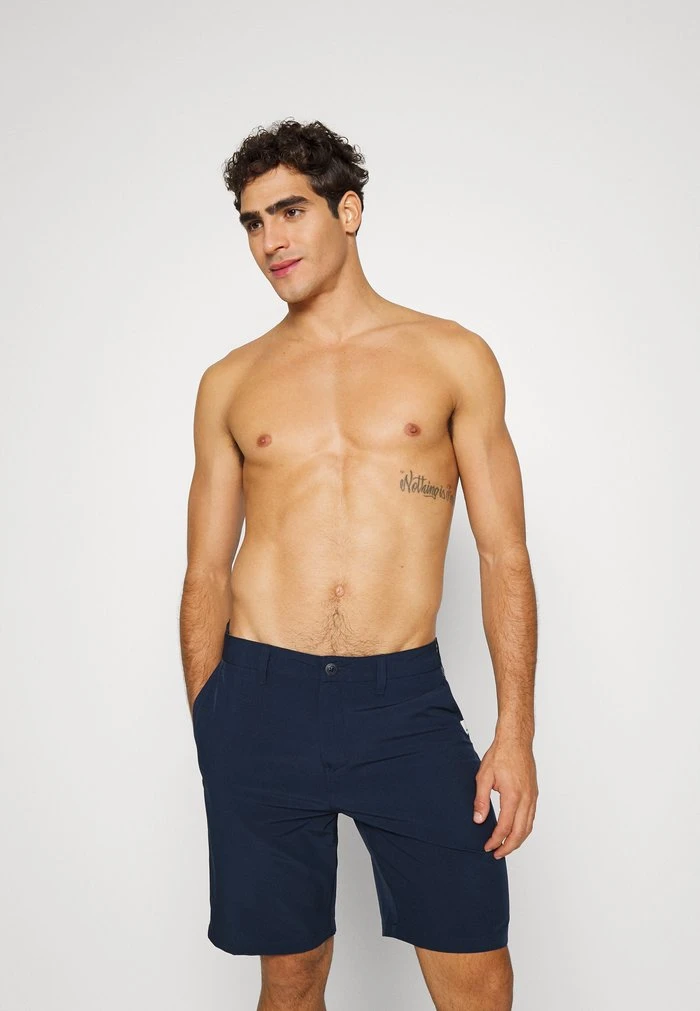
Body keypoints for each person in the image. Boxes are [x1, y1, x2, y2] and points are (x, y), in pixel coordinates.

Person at [180, 118, 538, 1011]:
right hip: (260, 698)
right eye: (253, 221)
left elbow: (504, 553)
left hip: (403, 705)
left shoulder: (452, 357)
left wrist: (515, 732)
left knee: (478, 974)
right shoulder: (230, 381)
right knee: (291, 975)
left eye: (290, 211)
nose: (271, 239)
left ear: (349, 211)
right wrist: (212, 719)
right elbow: (205, 572)